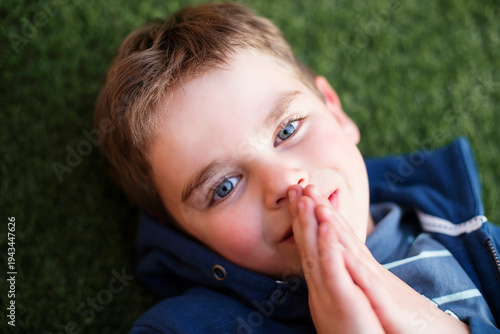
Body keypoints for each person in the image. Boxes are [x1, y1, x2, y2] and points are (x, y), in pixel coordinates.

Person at [94, 2, 500, 333]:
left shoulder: (467, 237)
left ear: (336, 112)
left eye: (288, 129)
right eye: (223, 187)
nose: (285, 182)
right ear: (183, 235)